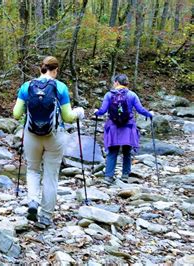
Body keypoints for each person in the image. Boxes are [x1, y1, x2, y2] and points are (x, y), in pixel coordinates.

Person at [13, 56, 85, 226]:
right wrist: (79, 113)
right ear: (56, 70)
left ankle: (32, 201)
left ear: (41, 69)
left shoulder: (26, 86)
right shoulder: (60, 87)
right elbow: (68, 117)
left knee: (32, 170)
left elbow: (16, 114)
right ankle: (45, 217)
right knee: (50, 175)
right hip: (54, 136)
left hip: (31, 135)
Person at [94, 74, 153, 184]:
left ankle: (108, 177)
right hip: (128, 127)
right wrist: (149, 114)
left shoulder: (108, 95)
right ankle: (125, 175)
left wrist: (96, 112)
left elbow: (102, 111)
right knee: (127, 151)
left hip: (113, 127)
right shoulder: (132, 95)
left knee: (112, 152)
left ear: (116, 82)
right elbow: (140, 110)